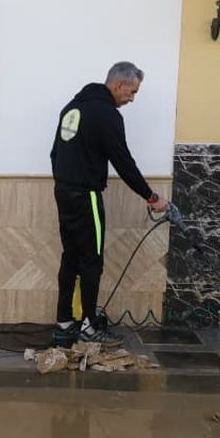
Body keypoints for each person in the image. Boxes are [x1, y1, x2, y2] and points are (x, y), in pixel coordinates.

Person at [49, 61, 170, 347]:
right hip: (86, 195)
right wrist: (151, 197)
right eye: (132, 92)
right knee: (92, 260)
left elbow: (55, 152)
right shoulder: (107, 115)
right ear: (118, 85)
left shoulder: (72, 107)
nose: (132, 98)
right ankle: (89, 326)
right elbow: (123, 161)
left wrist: (66, 181)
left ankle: (65, 320)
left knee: (71, 256)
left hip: (63, 192)